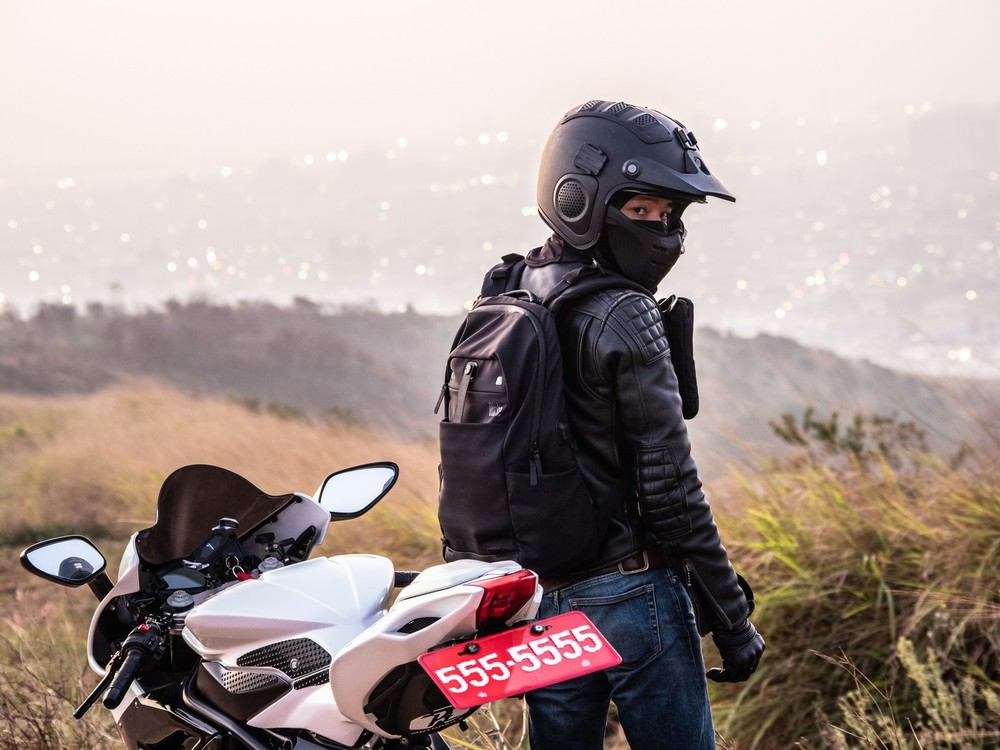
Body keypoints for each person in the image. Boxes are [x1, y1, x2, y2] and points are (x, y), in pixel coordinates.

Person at [489, 100, 763, 749]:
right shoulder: (625, 313)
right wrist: (732, 617)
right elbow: (673, 491)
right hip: (631, 593)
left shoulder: (510, 289)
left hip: (540, 600)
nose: (662, 229)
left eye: (668, 213)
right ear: (580, 198)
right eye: (642, 209)